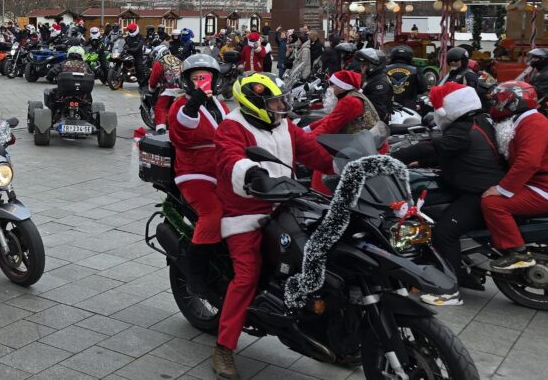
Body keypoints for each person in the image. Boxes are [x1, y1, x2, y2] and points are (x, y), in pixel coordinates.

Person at [212, 73, 335, 379]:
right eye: (275, 101)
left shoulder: (284, 126)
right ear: (255, 104)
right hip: (246, 210)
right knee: (247, 275)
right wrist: (252, 174)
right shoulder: (232, 126)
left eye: (281, 99)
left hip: (288, 202)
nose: (282, 105)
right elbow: (229, 159)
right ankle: (224, 348)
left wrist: (345, 165)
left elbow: (312, 151)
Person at [391, 82, 503, 305]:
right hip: (475, 185)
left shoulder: (462, 130)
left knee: (445, 233)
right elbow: (448, 152)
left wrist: (392, 157)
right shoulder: (477, 120)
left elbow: (433, 147)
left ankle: (450, 289)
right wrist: (421, 162)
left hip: (478, 192)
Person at [481, 81, 548, 271]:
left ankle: (518, 253)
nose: (494, 105)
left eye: (497, 100)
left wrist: (501, 189)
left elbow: (528, 162)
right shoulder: (525, 120)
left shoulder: (533, 123)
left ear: (511, 101)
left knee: (492, 203)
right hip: (542, 183)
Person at [165, 54, 228, 293]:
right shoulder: (181, 106)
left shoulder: (220, 105)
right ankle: (196, 269)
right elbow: (180, 133)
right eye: (197, 78)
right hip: (194, 172)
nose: (203, 82)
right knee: (213, 213)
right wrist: (195, 102)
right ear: (188, 81)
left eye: (207, 78)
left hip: (223, 169)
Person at [307, 70, 387, 194]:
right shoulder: (353, 96)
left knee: (323, 166)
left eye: (333, 84)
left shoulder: (349, 102)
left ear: (342, 86)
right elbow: (331, 118)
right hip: (367, 143)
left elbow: (329, 127)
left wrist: (303, 142)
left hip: (366, 147)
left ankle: (321, 197)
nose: (331, 88)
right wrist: (307, 128)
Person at [354, 47, 394, 122]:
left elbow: (379, 113)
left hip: (375, 127)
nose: (362, 66)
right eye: (362, 64)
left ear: (373, 65)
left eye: (365, 64)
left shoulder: (379, 83)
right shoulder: (373, 78)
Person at [386, 45, 428, 112]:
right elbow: (423, 89)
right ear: (409, 57)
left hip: (388, 108)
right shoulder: (415, 70)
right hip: (409, 108)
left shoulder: (384, 69)